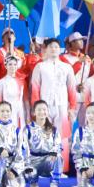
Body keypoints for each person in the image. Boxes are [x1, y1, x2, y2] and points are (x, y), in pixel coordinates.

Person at [30, 38, 76, 171]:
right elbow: (35, 88)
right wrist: (35, 108)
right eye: (51, 47)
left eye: (56, 46)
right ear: (46, 49)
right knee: (45, 135)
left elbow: (72, 88)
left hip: (62, 105)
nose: (53, 49)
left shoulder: (67, 67)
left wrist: (72, 107)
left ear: (60, 49)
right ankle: (44, 167)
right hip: (44, 106)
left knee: (62, 136)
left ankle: (61, 168)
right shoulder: (40, 66)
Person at [24, 100, 63, 187]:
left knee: (58, 156)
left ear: (47, 111)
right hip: (33, 160)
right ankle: (33, 181)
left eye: (44, 109)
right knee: (26, 172)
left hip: (47, 160)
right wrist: (27, 163)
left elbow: (58, 144)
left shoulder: (53, 129)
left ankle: (54, 183)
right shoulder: (28, 129)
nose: (42, 112)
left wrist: (53, 152)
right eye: (39, 110)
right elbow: (24, 147)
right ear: (34, 112)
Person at [0, 53, 26, 130]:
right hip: (6, 111)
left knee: (20, 131)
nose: (12, 66)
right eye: (10, 64)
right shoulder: (1, 82)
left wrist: (27, 114)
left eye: (15, 64)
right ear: (6, 66)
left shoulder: (21, 81)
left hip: (20, 111)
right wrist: (0, 115)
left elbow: (24, 100)